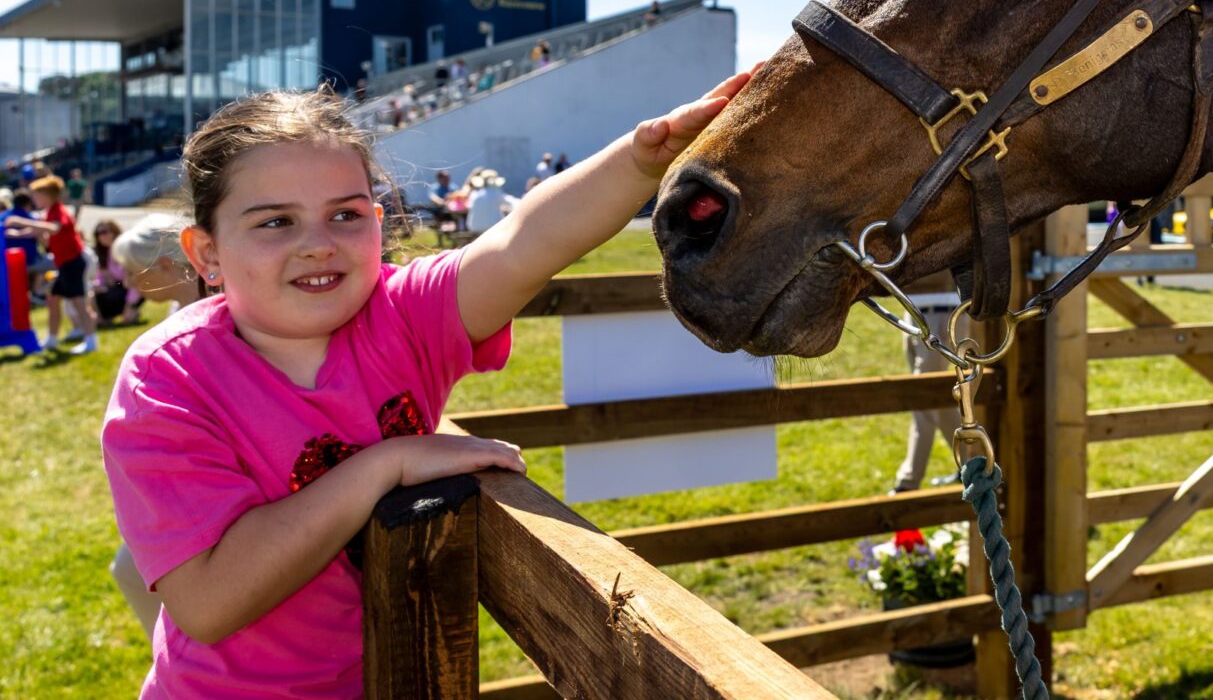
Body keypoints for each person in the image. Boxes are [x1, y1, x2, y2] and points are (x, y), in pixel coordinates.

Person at [99, 72, 746, 698]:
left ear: (380, 223)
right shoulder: (167, 379)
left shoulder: (402, 316)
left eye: (346, 215)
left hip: (399, 675)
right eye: (275, 222)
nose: (319, 245)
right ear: (206, 252)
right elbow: (210, 603)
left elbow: (525, 242)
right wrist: (389, 462)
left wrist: (638, 161)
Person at [104, 212, 204, 639]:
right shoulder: (181, 315)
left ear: (164, 265)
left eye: (131, 272)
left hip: (208, 483)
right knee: (129, 567)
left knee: (133, 568)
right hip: (181, 480)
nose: (128, 283)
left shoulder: (209, 317)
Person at [890, 275, 967, 494]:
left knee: (923, 398)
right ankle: (970, 466)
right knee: (938, 400)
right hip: (915, 308)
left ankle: (908, 482)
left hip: (943, 310)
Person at [6, 176, 97, 354]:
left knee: (79, 303)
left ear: (47, 195)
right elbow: (42, 229)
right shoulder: (50, 211)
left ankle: (90, 341)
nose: (34, 200)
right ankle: (52, 339)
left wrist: (20, 222)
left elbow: (53, 228)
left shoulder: (58, 211)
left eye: (36, 196)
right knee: (53, 299)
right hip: (63, 264)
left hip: (72, 263)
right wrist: (18, 234)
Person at [92, 220, 143, 326]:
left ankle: (131, 311)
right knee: (93, 294)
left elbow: (134, 280)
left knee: (128, 318)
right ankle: (103, 319)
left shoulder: (126, 250)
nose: (101, 236)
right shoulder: (104, 254)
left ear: (114, 232)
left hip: (134, 290)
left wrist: (128, 306)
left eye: (104, 232)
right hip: (117, 289)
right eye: (98, 234)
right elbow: (99, 277)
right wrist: (99, 286)